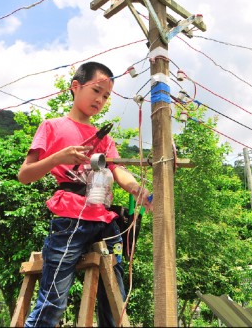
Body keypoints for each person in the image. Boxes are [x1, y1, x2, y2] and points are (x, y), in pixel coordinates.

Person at [17, 61, 152, 327]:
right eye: (96, 91)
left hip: (105, 219)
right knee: (54, 301)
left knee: (115, 299)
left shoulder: (103, 137)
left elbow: (117, 170)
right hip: (70, 218)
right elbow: (25, 175)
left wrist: (138, 189)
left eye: (106, 96)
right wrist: (59, 157)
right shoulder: (52, 126)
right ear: (76, 87)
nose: (100, 100)